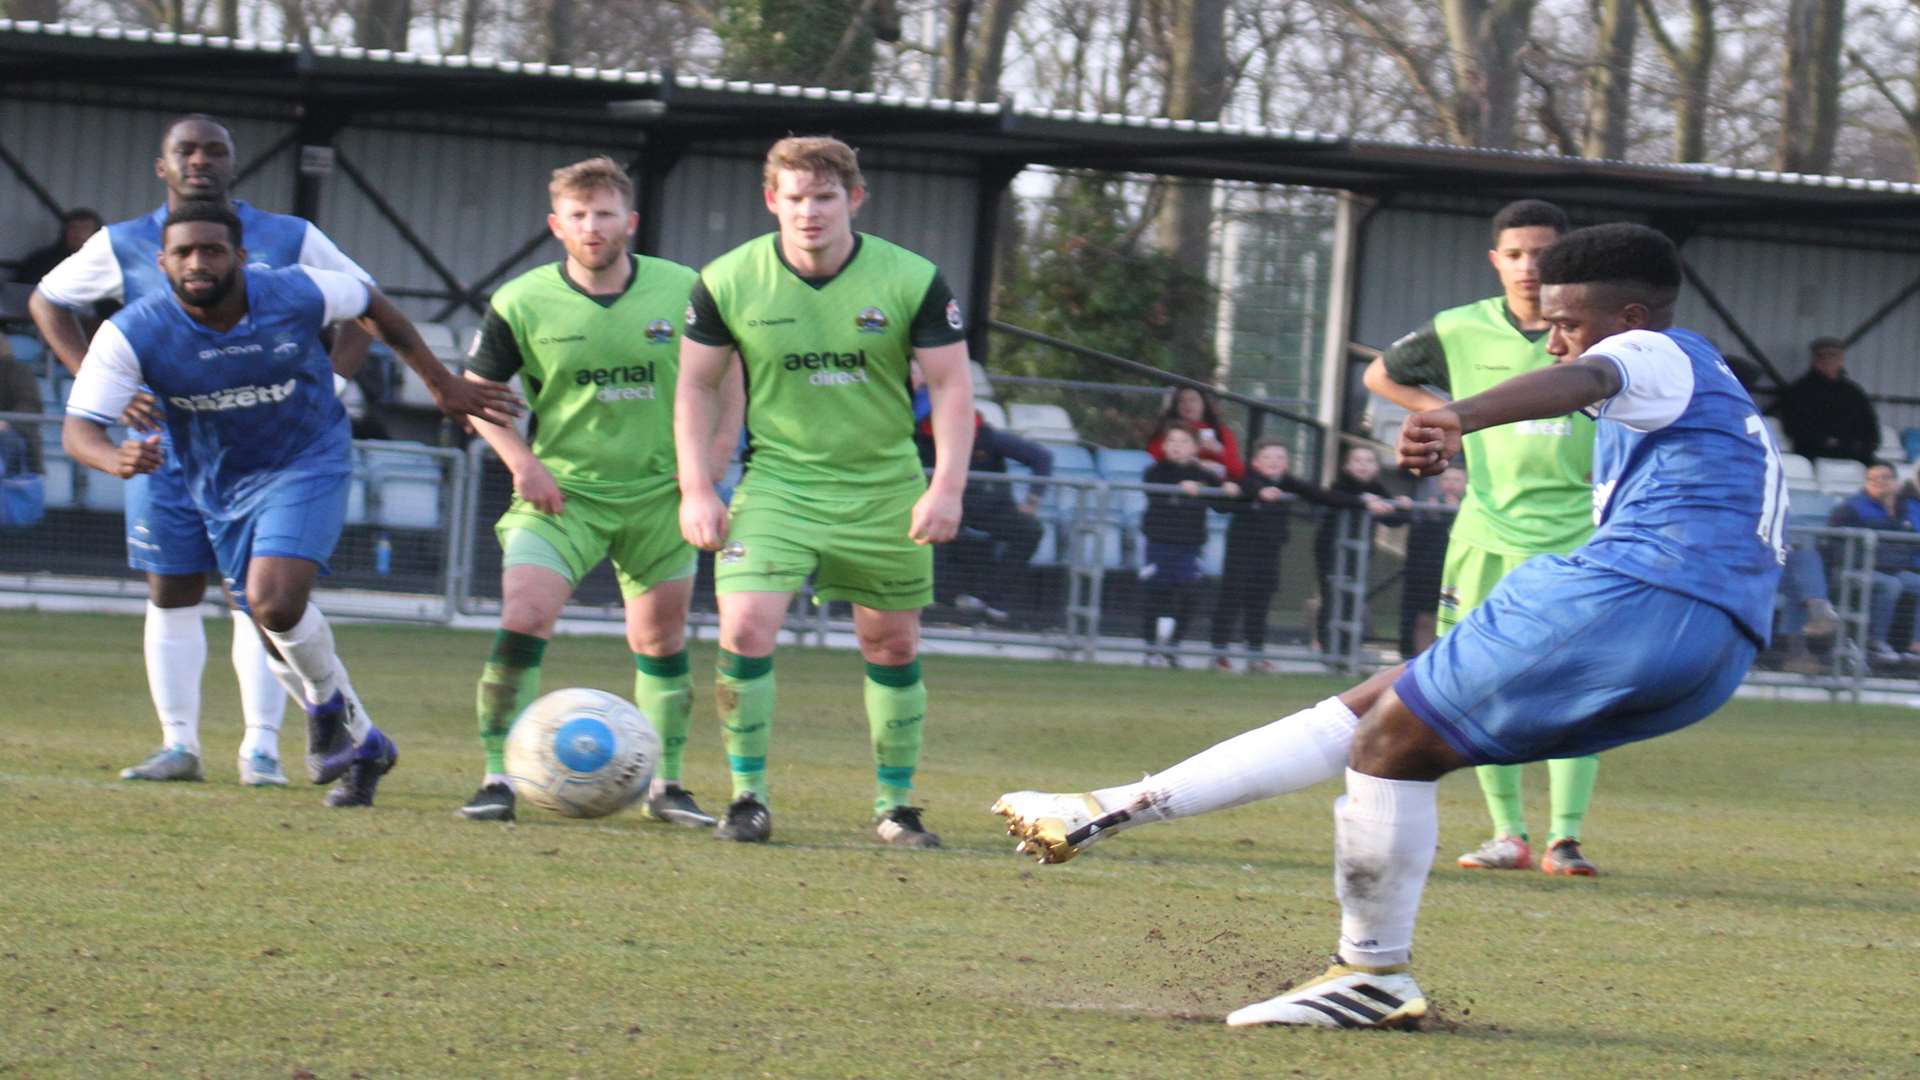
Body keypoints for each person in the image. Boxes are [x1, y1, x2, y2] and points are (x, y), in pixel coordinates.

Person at [994, 222, 1785, 1029]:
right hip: (1713, 643)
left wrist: (1457, 417)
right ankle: (1106, 808)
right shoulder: (1703, 391)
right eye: (1547, 325)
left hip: (1641, 594)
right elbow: (1585, 372)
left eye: (1566, 324)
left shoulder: (1658, 350)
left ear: (1629, 313)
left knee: (1389, 744)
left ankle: (1369, 975)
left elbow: (1588, 374)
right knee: (1387, 702)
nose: (1553, 344)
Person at [61, 203, 519, 806]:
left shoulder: (294, 292)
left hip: (307, 458)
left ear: (241, 258)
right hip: (220, 486)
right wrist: (110, 458)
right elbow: (79, 431)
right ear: (161, 263)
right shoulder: (133, 331)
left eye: (214, 250)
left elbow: (370, 303)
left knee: (273, 601)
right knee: (273, 629)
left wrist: (441, 383)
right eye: (184, 252)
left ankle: (325, 708)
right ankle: (366, 744)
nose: (199, 262)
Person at [31, 114, 375, 788]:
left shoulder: (290, 237)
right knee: (171, 587)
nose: (200, 161)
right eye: (184, 151)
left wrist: (330, 384)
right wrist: (94, 381)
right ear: (161, 166)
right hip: (170, 449)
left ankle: (262, 749)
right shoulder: (123, 242)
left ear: (233, 165)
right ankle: (179, 745)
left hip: (268, 448)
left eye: (215, 151)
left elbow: (366, 306)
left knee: (255, 598)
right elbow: (48, 301)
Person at [674, 135, 973, 847]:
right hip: (780, 483)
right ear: (772, 200)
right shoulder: (726, 279)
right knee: (744, 627)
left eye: (826, 198)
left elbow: (952, 385)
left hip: (885, 486)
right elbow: (695, 384)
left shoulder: (912, 279)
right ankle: (748, 798)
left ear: (854, 199)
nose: (810, 213)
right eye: (797, 198)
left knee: (891, 645)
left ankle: (896, 808)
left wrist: (946, 487)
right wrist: (697, 487)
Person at [456, 157, 738, 827]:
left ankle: (667, 786)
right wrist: (521, 462)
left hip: (659, 496)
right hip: (563, 495)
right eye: (578, 215)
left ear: (630, 221)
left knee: (661, 639)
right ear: (557, 225)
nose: (592, 226)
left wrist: (716, 457)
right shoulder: (520, 300)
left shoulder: (685, 289)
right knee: (524, 614)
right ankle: (497, 776)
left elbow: (729, 376)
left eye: (605, 213)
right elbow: (478, 397)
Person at [1361, 197, 1603, 877]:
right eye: (1517, 254)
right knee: (1478, 680)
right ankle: (1509, 834)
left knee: (1574, 685)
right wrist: (1447, 412)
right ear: (1497, 260)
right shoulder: (1459, 329)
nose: (1530, 267)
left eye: (1544, 255)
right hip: (1487, 533)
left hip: (1578, 535)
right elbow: (1380, 373)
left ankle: (1566, 839)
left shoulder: (1597, 335)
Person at [1208, 440, 1372, 672]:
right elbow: (1234, 490)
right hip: (1241, 552)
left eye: (1280, 458)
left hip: (1270, 552)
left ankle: (1255, 654)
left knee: (1260, 603)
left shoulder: (1288, 483)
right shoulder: (1246, 479)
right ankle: (1219, 654)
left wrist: (1362, 501)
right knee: (1231, 600)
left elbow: (1322, 495)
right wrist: (1257, 492)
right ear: (1256, 462)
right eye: (1268, 457)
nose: (1274, 462)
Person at [915, 404, 1052, 624]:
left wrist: (1032, 502)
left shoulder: (989, 437)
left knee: (1030, 530)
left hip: (992, 506)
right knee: (928, 530)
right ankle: (934, 601)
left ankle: (994, 602)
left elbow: (1042, 458)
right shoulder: (921, 438)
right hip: (944, 508)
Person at [1138, 423, 1222, 666]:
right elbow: (1154, 492)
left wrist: (1219, 488)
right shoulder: (1155, 471)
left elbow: (1223, 502)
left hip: (1190, 546)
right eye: (1172, 441)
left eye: (1183, 442)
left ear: (1195, 447)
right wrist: (1180, 488)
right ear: (1164, 446)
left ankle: (1173, 646)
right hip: (1159, 544)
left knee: (1189, 593)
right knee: (1155, 593)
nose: (1177, 447)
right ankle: (1150, 648)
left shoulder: (1204, 474)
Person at [1825, 461, 1920, 663]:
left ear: (1896, 482)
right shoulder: (1851, 509)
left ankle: (1916, 647)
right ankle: (1875, 644)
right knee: (1890, 585)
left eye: (1884, 478)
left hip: (1895, 569)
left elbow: (1909, 546)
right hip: (1857, 569)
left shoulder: (1904, 509)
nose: (1878, 482)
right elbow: (1836, 546)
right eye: (1872, 479)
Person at [1311, 445, 1401, 654]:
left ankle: (1349, 648)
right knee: (1332, 596)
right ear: (1347, 465)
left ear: (1376, 467)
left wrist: (1399, 505)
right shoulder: (1340, 486)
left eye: (1369, 461)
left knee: (1353, 599)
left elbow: (1395, 520)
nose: (1363, 466)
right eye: (1357, 461)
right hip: (1332, 550)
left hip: (1360, 554)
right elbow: (1336, 498)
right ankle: (1330, 649)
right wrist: (1362, 502)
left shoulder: (1377, 488)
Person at [1769, 337, 1879, 464]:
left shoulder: (1854, 393)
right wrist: (1826, 441)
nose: (1827, 360)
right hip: (1814, 453)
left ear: (1841, 360)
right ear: (1814, 360)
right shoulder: (1800, 391)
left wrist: (1864, 444)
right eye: (1821, 356)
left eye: (1832, 355)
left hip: (1854, 454)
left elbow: (1870, 425)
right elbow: (1795, 426)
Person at [1397, 465, 1466, 660]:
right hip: (1430, 572)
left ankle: (1448, 661)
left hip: (1455, 573)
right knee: (1425, 617)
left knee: (1451, 617)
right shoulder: (1429, 506)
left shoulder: (1472, 507)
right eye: (1446, 479)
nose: (1451, 484)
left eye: (1456, 480)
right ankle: (1420, 662)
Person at [1147, 386, 1243, 482]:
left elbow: (1237, 471)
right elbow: (1152, 457)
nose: (1187, 404)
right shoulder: (1167, 430)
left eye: (1193, 400)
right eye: (1181, 400)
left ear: (1204, 404)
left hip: (1213, 487)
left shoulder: (1222, 432)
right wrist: (1188, 461)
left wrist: (1218, 450)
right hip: (1174, 482)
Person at [13, 207, 102, 286]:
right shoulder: (40, 262)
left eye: (85, 228)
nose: (78, 233)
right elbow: (20, 291)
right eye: (73, 227)